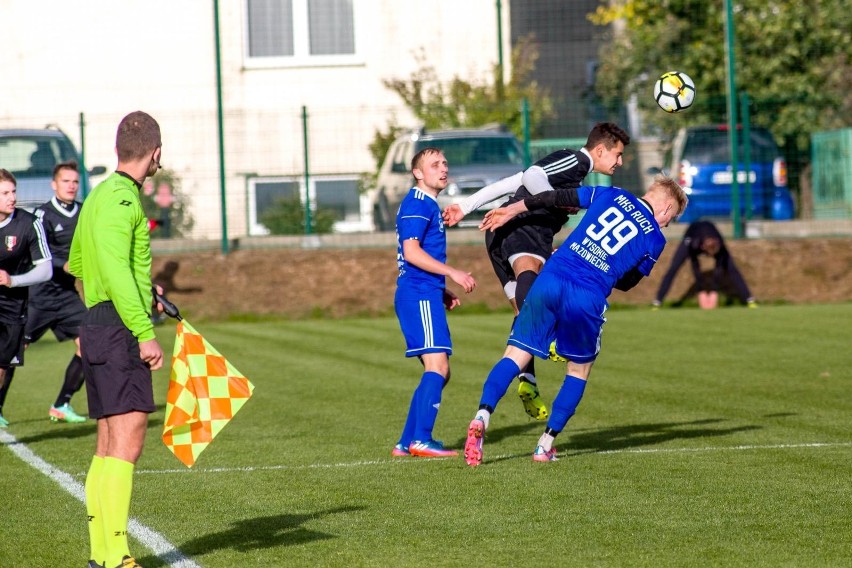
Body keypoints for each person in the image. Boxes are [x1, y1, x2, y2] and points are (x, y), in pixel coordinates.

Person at [462, 175, 688, 466]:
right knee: (578, 372)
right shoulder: (655, 238)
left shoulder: (609, 194)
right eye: (671, 218)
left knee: (516, 353)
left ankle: (482, 415)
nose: (667, 224)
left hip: (552, 277)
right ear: (667, 209)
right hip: (587, 294)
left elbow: (556, 198)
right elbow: (629, 281)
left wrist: (514, 208)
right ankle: (545, 445)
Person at [443, 122, 630, 422]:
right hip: (524, 228)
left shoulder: (575, 169)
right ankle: (553, 339)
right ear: (599, 150)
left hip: (500, 233)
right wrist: (556, 201)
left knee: (523, 312)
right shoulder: (577, 160)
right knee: (537, 298)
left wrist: (465, 207)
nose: (620, 162)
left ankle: (527, 379)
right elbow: (532, 176)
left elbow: (515, 180)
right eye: (617, 154)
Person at [69, 111, 166, 568]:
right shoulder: (124, 202)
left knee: (107, 443)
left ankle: (101, 556)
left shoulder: (96, 196)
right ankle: (117, 556)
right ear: (156, 153)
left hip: (98, 323)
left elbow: (79, 267)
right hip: (119, 330)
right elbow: (110, 269)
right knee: (127, 441)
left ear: (116, 152)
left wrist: (100, 311)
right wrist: (143, 331)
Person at [392, 147, 477, 458]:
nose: (443, 168)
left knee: (440, 368)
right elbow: (411, 252)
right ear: (418, 173)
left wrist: (441, 289)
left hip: (425, 293)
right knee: (438, 366)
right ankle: (421, 440)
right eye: (434, 165)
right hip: (418, 295)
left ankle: (406, 442)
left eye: (445, 163)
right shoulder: (418, 204)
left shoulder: (427, 204)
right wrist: (452, 273)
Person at [24, 161, 89, 423]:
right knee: (13, 350)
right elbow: (39, 253)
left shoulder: (84, 213)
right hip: (39, 295)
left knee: (90, 344)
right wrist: (66, 265)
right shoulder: (42, 215)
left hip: (66, 296)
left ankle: (62, 404)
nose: (71, 186)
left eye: (75, 181)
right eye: (66, 181)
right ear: (54, 184)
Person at [0, 168, 53, 427]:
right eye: (5, 193)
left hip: (12, 306)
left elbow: (45, 269)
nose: (12, 198)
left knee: (1, 368)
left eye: (13, 191)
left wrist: (13, 280)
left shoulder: (28, 224)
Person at [653, 220, 757, 309]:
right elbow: (695, 265)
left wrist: (714, 289)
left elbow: (719, 267)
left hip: (710, 232)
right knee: (673, 268)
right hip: (690, 236)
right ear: (703, 248)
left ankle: (749, 299)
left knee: (732, 268)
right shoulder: (694, 243)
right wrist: (701, 288)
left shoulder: (719, 244)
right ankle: (658, 301)